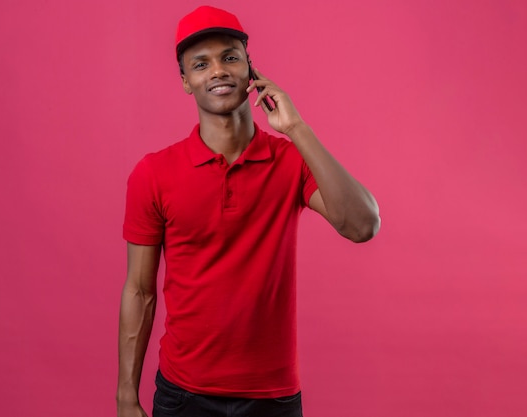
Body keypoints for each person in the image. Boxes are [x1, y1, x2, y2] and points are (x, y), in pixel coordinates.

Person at [117, 5, 380, 417]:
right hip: (184, 394)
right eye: (200, 64)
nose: (218, 70)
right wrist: (126, 396)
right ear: (186, 81)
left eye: (230, 57)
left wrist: (296, 127)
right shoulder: (153, 173)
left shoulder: (290, 161)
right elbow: (139, 290)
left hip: (272, 395)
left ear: (251, 71)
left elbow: (363, 225)